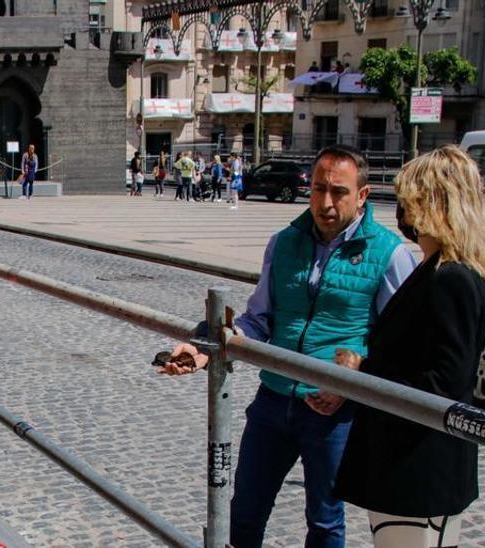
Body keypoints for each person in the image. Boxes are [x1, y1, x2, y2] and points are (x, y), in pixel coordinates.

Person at [161, 144, 418, 548]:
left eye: (339, 191)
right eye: (318, 189)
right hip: (274, 402)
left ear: (363, 196)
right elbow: (257, 320)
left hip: (334, 413)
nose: (326, 202)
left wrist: (351, 381)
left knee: (325, 521)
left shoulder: (390, 255)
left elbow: (403, 343)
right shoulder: (284, 243)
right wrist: (202, 351)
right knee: (243, 512)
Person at [331, 145, 485, 548]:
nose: (403, 211)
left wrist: (363, 374)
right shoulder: (436, 267)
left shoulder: (451, 278)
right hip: (409, 461)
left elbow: (444, 381)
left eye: (409, 201)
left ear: (433, 205)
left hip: (420, 468)